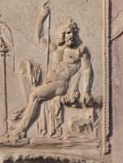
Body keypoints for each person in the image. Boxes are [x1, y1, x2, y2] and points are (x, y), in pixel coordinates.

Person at [8, 10, 93, 144]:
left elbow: (87, 70)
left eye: (73, 33)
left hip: (61, 84)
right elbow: (38, 37)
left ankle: (20, 130)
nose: (71, 35)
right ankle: (23, 123)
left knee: (35, 96)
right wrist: (41, 17)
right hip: (49, 83)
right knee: (33, 96)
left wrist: (86, 91)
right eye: (68, 32)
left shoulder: (80, 51)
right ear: (63, 35)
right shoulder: (55, 48)